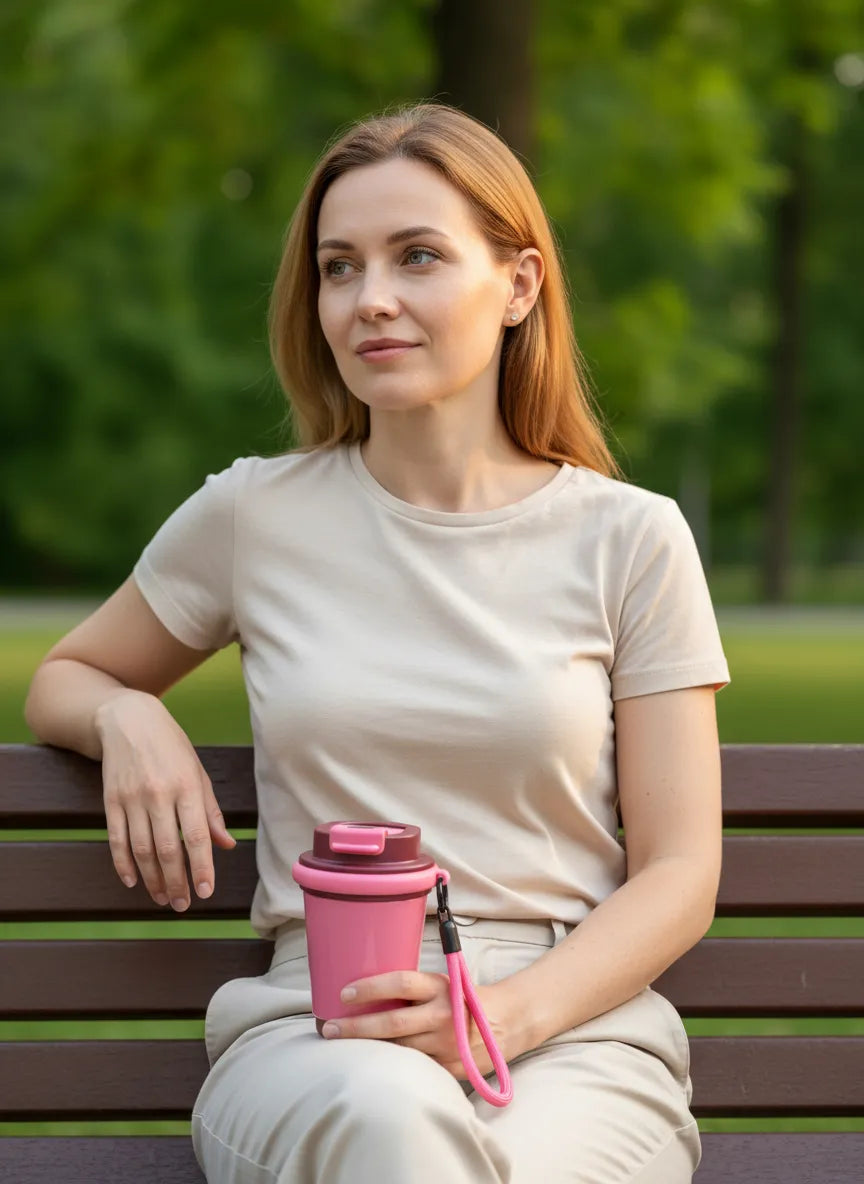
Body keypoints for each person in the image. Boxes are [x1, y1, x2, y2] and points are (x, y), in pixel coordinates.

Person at [25, 101, 730, 1183]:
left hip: (573, 1034)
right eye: (340, 267)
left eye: (417, 257)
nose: (372, 300)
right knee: (392, 1130)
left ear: (520, 286)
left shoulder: (630, 540)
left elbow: (680, 867)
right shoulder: (253, 517)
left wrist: (496, 1015)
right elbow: (68, 674)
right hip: (322, 1035)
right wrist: (126, 709)